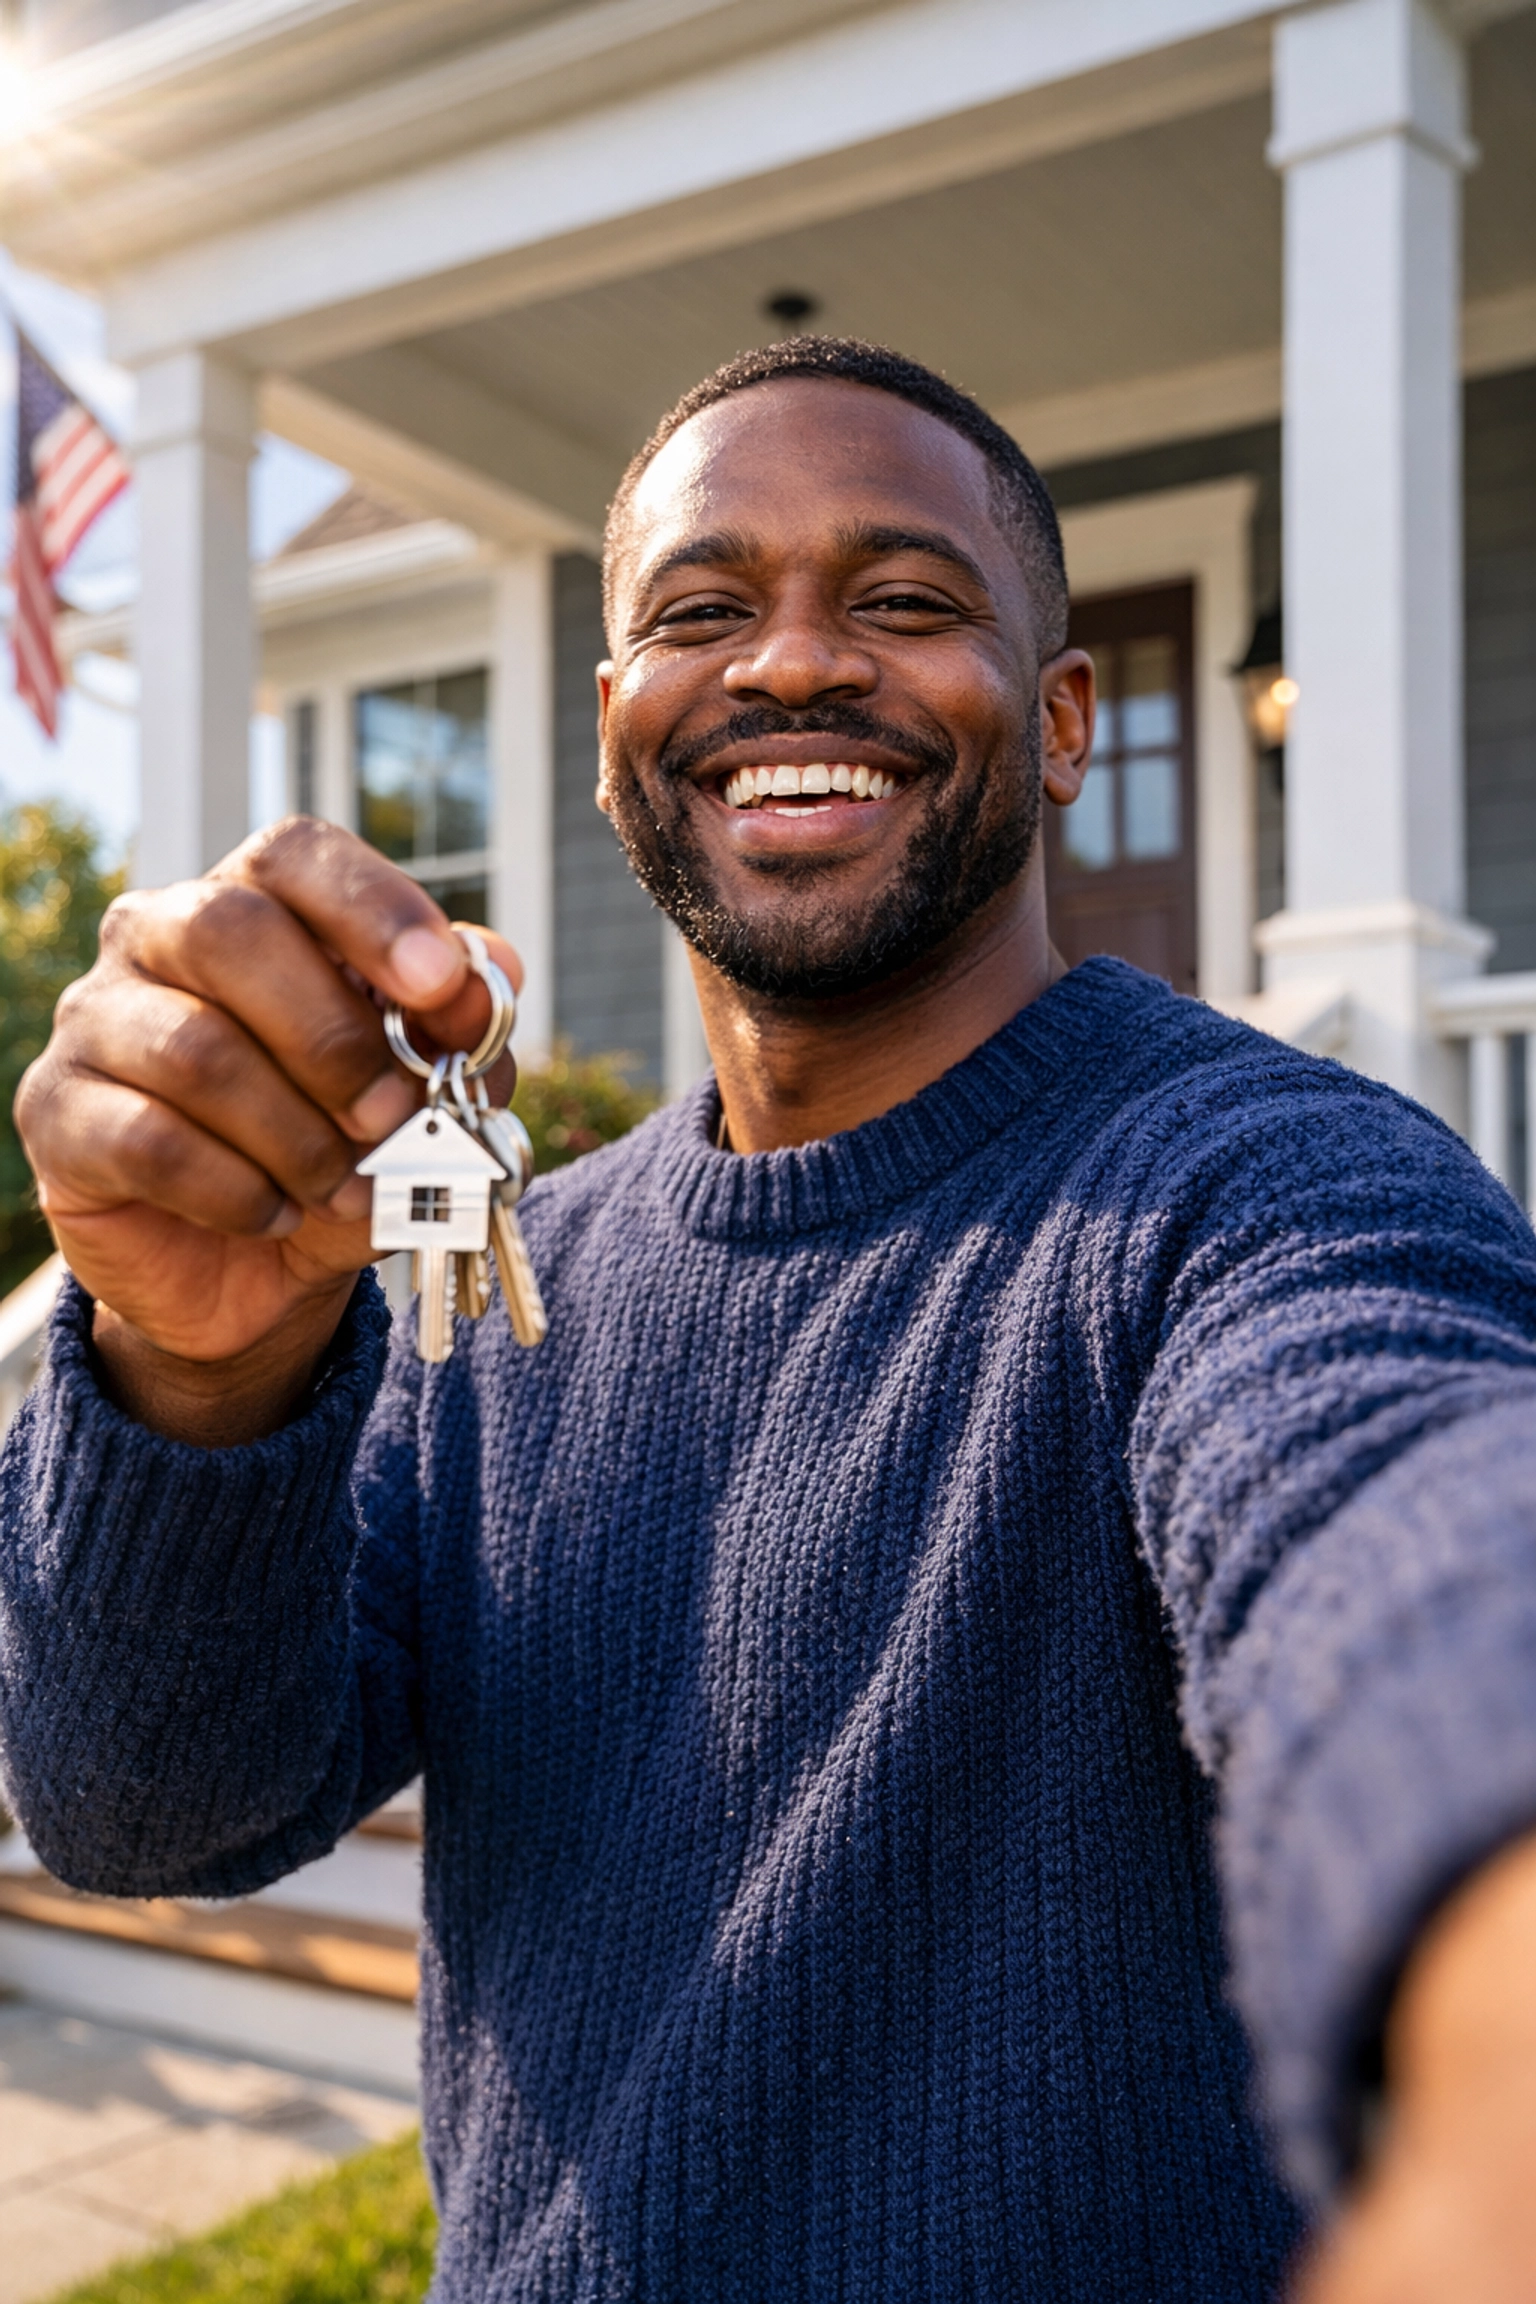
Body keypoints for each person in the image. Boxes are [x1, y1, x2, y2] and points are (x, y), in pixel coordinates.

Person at [3, 337, 1535, 2304]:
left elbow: (1418, 1531)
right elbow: (149, 1812)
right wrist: (194, 1378)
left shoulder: (1262, 1191)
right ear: (610, 728)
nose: (792, 664)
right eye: (702, 611)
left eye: (903, 600)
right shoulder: (503, 1288)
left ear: (1063, 722)